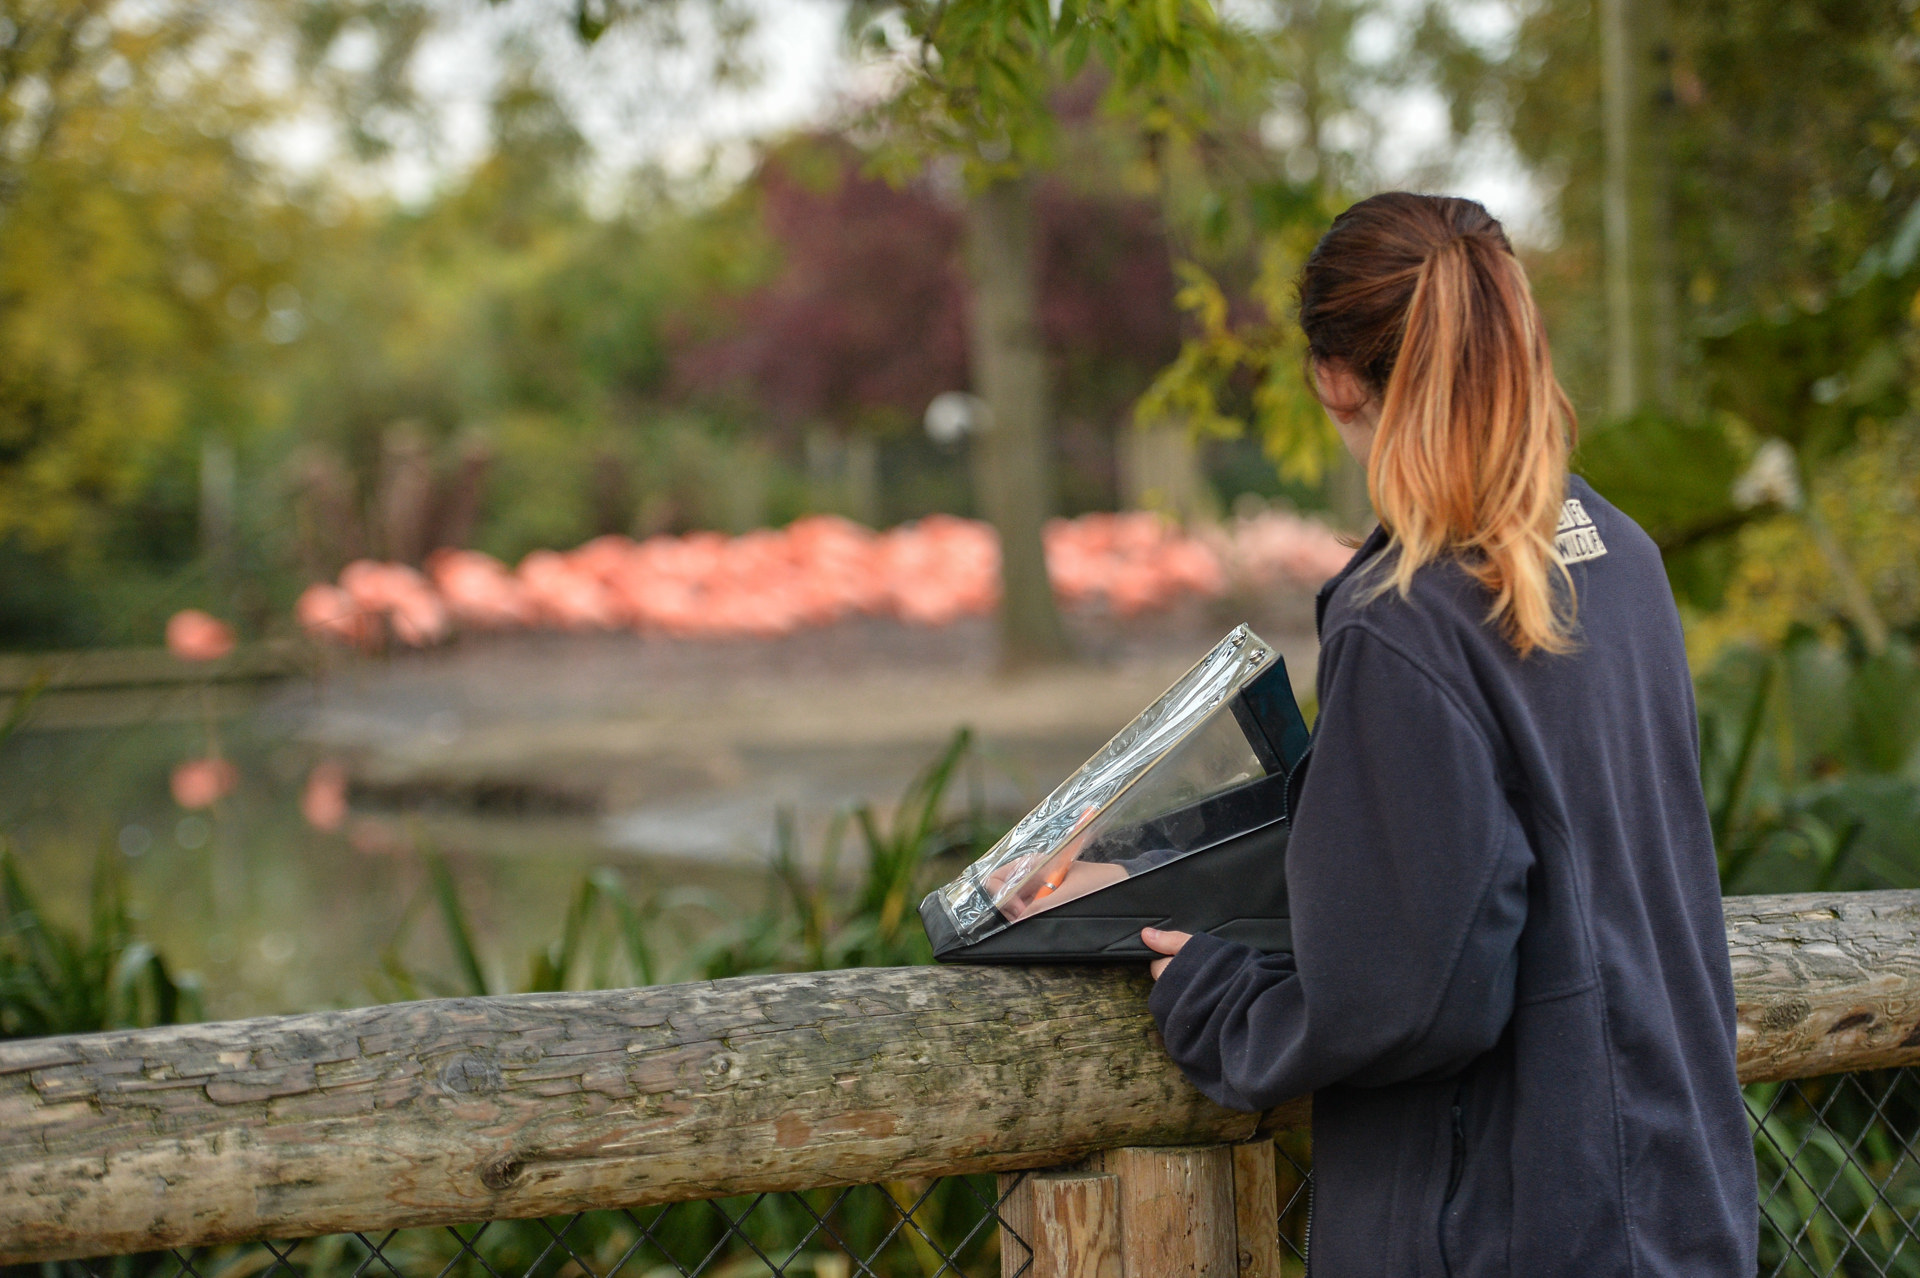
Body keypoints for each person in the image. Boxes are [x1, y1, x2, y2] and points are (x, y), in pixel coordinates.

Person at [1138, 192, 1756, 1276]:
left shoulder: (1406, 618)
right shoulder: (1620, 556)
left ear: (1333, 377)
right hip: (1678, 1200)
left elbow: (1410, 994)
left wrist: (1221, 1001)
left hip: (1520, 1229)